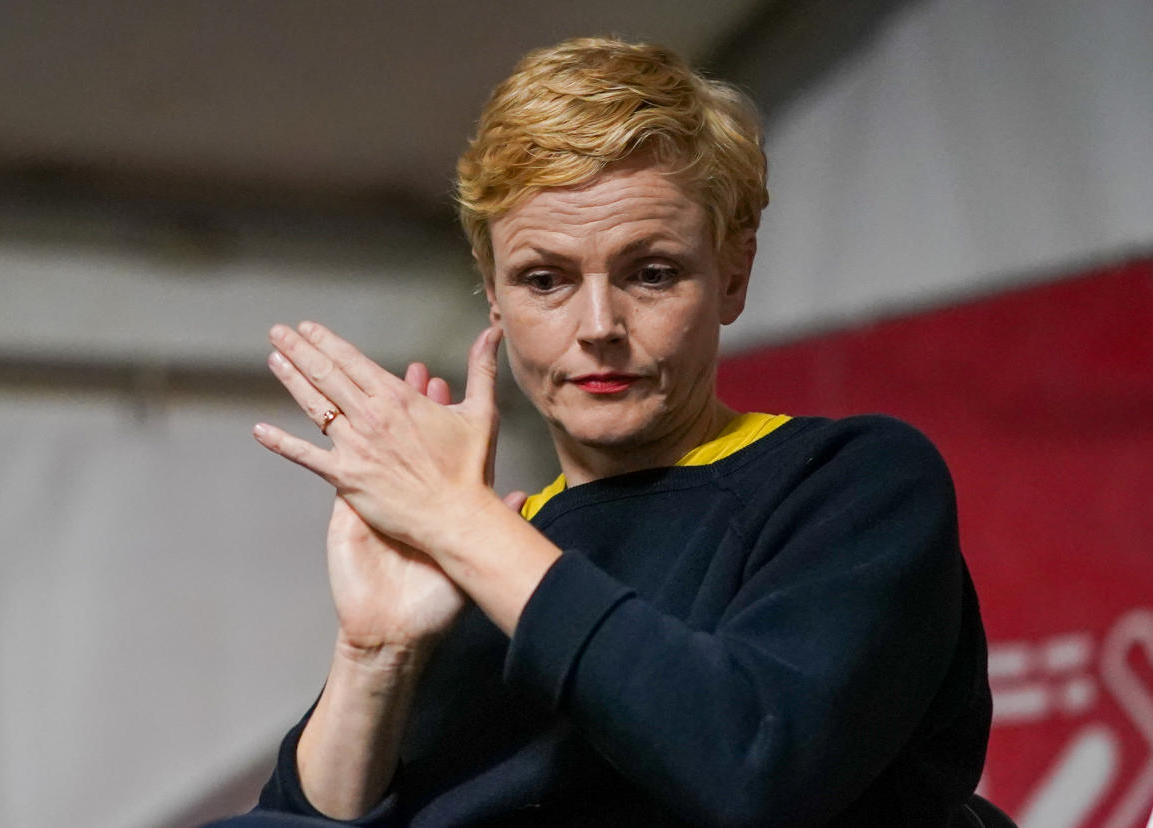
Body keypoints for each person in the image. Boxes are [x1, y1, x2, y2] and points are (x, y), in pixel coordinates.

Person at [223, 37, 992, 827]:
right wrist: (376, 655)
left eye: (651, 272)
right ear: (493, 296)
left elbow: (755, 767)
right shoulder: (477, 554)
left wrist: (464, 523)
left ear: (733, 276)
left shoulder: (851, 482)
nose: (599, 327)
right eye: (545, 279)